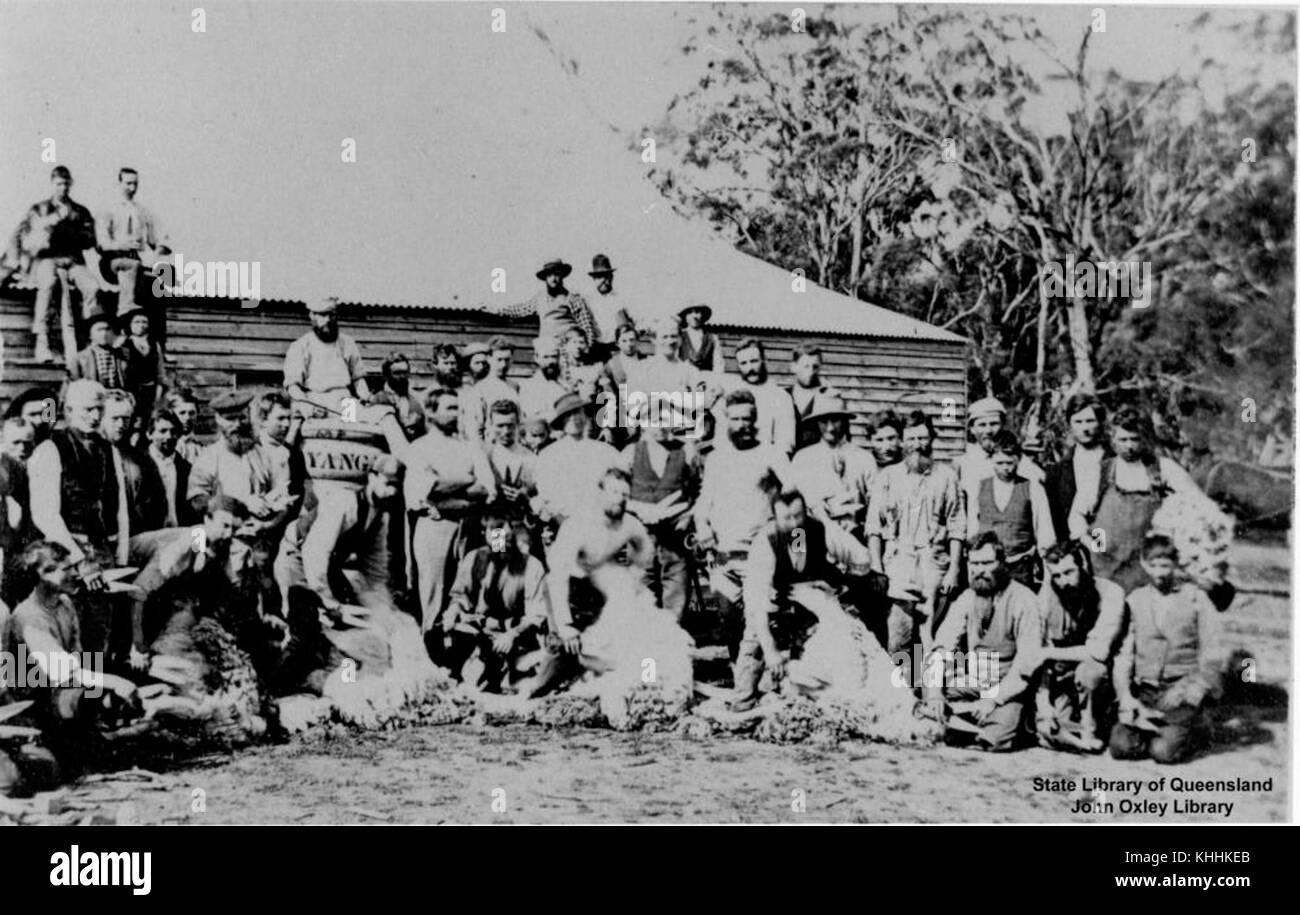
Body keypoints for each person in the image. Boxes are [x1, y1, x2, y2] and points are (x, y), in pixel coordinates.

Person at [524, 468, 694, 728]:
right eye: (614, 492)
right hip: (570, 600)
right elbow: (556, 577)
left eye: (625, 494)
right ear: (600, 493)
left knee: (650, 643)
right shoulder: (577, 525)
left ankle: (646, 688)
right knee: (549, 677)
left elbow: (642, 561)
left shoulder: (631, 525)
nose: (619, 499)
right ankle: (537, 688)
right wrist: (566, 626)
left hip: (606, 602)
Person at [1, 541, 139, 776]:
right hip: (34, 701)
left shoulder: (64, 604)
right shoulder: (29, 617)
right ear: (43, 574)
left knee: (101, 694)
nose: (75, 573)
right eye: (66, 569)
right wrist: (115, 683)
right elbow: (62, 672)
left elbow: (79, 657)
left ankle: (93, 740)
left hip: (62, 689)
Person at [733, 488, 875, 712]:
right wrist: (770, 650)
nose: (794, 524)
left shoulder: (819, 528)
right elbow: (755, 603)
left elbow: (861, 558)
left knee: (836, 643)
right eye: (786, 518)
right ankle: (744, 699)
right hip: (773, 601)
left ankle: (803, 698)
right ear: (774, 517)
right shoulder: (765, 542)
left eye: (798, 516)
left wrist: (840, 585)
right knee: (755, 643)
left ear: (805, 512)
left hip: (809, 602)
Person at [273, 456, 405, 693]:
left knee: (346, 630)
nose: (392, 491)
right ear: (372, 477)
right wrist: (327, 601)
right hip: (297, 558)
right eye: (388, 483)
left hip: (327, 566)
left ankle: (337, 683)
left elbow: (374, 572)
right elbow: (315, 552)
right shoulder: (345, 503)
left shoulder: (379, 517)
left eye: (397, 485)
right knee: (303, 630)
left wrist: (382, 610)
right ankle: (280, 686)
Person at [1109, 535, 1230, 764]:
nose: (1159, 573)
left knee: (1162, 752)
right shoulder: (1135, 599)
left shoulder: (1196, 597)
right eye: (1152, 565)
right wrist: (1126, 696)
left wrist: (1191, 688)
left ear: (1175, 564)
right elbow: (1124, 654)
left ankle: (1198, 728)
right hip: (1145, 692)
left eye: (1165, 566)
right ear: (1144, 564)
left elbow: (1213, 651)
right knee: (1121, 747)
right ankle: (1158, 728)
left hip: (1180, 691)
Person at [923, 531, 1042, 752]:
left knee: (995, 739)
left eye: (987, 563)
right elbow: (942, 646)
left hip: (1008, 688)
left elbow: (1026, 666)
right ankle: (963, 718)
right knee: (928, 692)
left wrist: (994, 700)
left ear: (1002, 563)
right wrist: (935, 694)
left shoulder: (1025, 601)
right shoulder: (967, 598)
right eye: (974, 564)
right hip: (976, 683)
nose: (980, 570)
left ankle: (1017, 721)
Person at [693, 390, 793, 653]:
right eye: (735, 419)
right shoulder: (716, 459)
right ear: (726, 421)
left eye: (748, 418)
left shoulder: (772, 454)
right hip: (724, 555)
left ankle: (761, 685)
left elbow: (793, 498)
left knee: (757, 620)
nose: (743, 425)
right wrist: (702, 526)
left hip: (759, 556)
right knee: (728, 620)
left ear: (756, 419)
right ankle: (740, 677)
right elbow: (704, 501)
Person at [1070, 407, 1206, 592]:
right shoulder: (1101, 472)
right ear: (1113, 440)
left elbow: (1197, 506)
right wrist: (1098, 546)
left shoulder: (1162, 469)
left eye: (1134, 439)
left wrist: (1173, 539)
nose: (1129, 446)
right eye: (1123, 439)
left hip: (1146, 567)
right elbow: (1077, 517)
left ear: (1144, 438)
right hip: (1105, 568)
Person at [187, 390, 297, 617]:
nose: (238, 424)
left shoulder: (266, 455)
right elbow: (196, 500)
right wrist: (239, 504)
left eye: (242, 417)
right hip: (223, 549)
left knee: (268, 611)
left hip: (262, 549)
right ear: (218, 421)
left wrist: (268, 525)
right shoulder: (210, 456)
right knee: (224, 609)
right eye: (230, 419)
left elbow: (285, 503)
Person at [27, 381, 117, 652]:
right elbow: (45, 515)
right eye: (88, 409)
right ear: (68, 410)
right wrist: (80, 560)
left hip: (100, 552)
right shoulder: (50, 449)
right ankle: (71, 693)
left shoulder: (104, 448)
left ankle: (96, 693)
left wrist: (114, 554)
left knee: (99, 633)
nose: (95, 416)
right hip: (66, 556)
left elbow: (117, 505)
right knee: (72, 631)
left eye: (99, 409)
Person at [866, 410, 964, 656]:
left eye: (923, 438)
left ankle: (931, 691)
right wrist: (877, 567)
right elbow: (873, 527)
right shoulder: (888, 477)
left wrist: (954, 568)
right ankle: (904, 691)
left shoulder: (947, 476)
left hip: (935, 565)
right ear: (902, 441)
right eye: (911, 439)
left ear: (932, 438)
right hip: (899, 565)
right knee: (900, 635)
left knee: (932, 636)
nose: (917, 445)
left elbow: (956, 524)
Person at [404, 389, 495, 639]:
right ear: (431, 413)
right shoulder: (419, 448)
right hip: (433, 526)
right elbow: (426, 489)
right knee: (434, 590)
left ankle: (461, 655)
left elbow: (486, 488)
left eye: (458, 408)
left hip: (468, 526)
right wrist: (467, 478)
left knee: (465, 589)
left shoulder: (469, 447)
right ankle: (431, 647)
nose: (456, 414)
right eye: (450, 408)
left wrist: (445, 495)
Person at [124, 495, 249, 669]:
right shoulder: (182, 547)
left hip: (157, 590)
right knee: (101, 650)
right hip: (124, 580)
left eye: (234, 529)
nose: (229, 534)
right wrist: (137, 646)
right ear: (207, 519)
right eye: (225, 526)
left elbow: (228, 585)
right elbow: (137, 591)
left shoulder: (217, 543)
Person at [438, 503, 547, 692]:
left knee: (517, 684)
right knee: (444, 641)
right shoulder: (475, 558)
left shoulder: (531, 566)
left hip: (513, 636)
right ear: (485, 532)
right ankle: (473, 668)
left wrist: (512, 635)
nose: (501, 536)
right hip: (480, 632)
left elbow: (536, 615)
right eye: (494, 530)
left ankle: (505, 672)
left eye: (506, 529)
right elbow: (460, 596)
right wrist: (453, 611)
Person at [1034, 541, 1126, 752]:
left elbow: (1098, 652)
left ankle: (1090, 728)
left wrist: (1049, 652)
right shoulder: (1049, 593)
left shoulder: (1112, 593)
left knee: (1090, 671)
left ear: (1083, 565)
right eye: (1056, 575)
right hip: (1062, 676)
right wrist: (1044, 703)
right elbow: (1039, 649)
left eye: (1068, 572)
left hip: (1099, 679)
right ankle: (1073, 732)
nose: (1063, 581)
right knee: (1049, 733)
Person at [2, 167, 100, 363]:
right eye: (58, 184)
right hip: (46, 259)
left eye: (65, 184)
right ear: (52, 184)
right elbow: (27, 239)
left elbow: (90, 239)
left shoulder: (80, 211)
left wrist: (66, 232)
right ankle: (42, 343)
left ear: (71, 184)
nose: (62, 188)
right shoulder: (39, 209)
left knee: (92, 287)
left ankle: (92, 337)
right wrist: (47, 228)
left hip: (72, 260)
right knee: (46, 286)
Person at [620, 399, 702, 620]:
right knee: (641, 594)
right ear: (643, 424)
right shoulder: (630, 452)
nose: (660, 426)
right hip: (640, 535)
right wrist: (637, 510)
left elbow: (699, 492)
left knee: (676, 596)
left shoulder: (686, 450)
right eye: (654, 421)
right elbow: (617, 493)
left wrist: (687, 516)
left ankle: (672, 644)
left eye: (666, 420)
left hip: (675, 535)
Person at [966, 430, 1054, 590]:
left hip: (1020, 568)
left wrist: (1048, 582)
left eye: (1010, 463)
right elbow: (972, 533)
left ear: (1019, 459)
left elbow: (1045, 535)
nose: (1005, 468)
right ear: (991, 459)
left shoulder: (1033, 488)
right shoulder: (979, 487)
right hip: (987, 569)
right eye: (1000, 463)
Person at [790, 394, 875, 540]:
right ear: (817, 423)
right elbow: (793, 506)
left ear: (844, 420)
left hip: (855, 533)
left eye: (835, 420)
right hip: (814, 536)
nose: (830, 428)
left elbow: (875, 503)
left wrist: (858, 520)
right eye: (824, 421)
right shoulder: (803, 458)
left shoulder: (864, 458)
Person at [532, 392, 620, 530]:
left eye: (578, 412)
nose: (574, 418)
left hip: (599, 524)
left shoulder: (606, 452)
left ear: (586, 415)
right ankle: (498, 550)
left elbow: (618, 488)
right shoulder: (548, 456)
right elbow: (547, 495)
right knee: (499, 546)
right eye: (568, 415)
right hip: (563, 523)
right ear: (561, 421)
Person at [100, 390, 167, 559]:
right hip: (103, 543)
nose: (121, 424)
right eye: (114, 418)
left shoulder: (141, 459)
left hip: (136, 539)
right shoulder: (92, 456)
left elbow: (158, 502)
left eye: (126, 418)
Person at [95, 167, 170, 315]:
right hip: (111, 260)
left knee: (161, 278)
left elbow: (159, 238)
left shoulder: (142, 211)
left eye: (136, 184)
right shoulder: (108, 209)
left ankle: (155, 333)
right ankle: (125, 310)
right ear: (119, 184)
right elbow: (102, 243)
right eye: (128, 184)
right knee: (131, 266)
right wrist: (123, 245)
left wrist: (157, 255)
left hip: (134, 259)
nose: (133, 188)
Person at [283, 297, 371, 419]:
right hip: (315, 399)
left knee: (357, 426)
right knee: (321, 429)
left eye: (332, 315)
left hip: (344, 399)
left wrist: (366, 397)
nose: (328, 320)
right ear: (312, 316)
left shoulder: (347, 343)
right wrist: (306, 404)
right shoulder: (300, 346)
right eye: (323, 315)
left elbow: (358, 379)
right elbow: (292, 386)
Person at [955, 397, 1045, 512]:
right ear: (972, 429)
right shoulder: (963, 463)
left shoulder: (1019, 460)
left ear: (1003, 425)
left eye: (994, 424)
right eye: (982, 425)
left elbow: (1039, 484)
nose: (988, 430)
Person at [1044, 393, 1110, 543]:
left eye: (1090, 421)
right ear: (1069, 424)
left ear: (1100, 422)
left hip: (1110, 544)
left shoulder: (1115, 462)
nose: (1085, 428)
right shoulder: (1057, 471)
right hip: (1071, 549)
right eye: (1078, 421)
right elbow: (1055, 519)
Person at [715, 338, 795, 456]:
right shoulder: (730, 395)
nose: (749, 368)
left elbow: (785, 443)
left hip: (766, 462)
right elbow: (721, 438)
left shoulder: (781, 397)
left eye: (754, 361)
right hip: (732, 462)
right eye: (743, 363)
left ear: (763, 360)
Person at [491, 257, 598, 343]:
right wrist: (495, 310)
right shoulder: (539, 299)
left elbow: (587, 328)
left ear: (562, 276)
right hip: (548, 350)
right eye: (549, 275)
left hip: (568, 351)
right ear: (545, 278)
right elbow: (518, 310)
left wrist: (585, 350)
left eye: (556, 274)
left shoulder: (573, 299)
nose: (553, 279)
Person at [115, 306, 167, 439]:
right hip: (130, 391)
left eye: (144, 322)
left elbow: (160, 370)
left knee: (147, 424)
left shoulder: (154, 344)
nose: (141, 325)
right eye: (137, 322)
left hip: (150, 391)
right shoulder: (124, 344)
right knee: (130, 423)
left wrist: (159, 391)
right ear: (130, 325)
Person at [461, 336, 520, 442]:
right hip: (491, 447)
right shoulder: (479, 390)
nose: (503, 365)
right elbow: (474, 430)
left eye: (507, 360)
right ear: (489, 359)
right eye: (499, 360)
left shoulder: (514, 387)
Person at [145, 409, 194, 528]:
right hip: (149, 537)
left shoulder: (186, 469)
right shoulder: (138, 465)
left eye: (173, 431)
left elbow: (194, 514)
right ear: (149, 434)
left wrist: (197, 547)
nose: (169, 436)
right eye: (163, 431)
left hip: (180, 535)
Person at [787, 345, 838, 453]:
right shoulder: (783, 397)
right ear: (793, 367)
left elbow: (842, 437)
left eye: (815, 367)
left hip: (819, 461)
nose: (810, 372)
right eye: (806, 366)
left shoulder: (830, 397)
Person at [585, 254, 632, 353]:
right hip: (596, 348)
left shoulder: (620, 299)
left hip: (617, 348)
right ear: (594, 279)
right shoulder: (588, 300)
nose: (605, 281)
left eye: (607, 276)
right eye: (600, 277)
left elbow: (635, 321)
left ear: (612, 277)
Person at [69, 313, 129, 391]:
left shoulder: (123, 354)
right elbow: (75, 384)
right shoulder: (79, 358)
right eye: (99, 330)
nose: (104, 333)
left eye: (108, 329)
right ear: (91, 335)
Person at [518, 335, 568, 423]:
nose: (550, 362)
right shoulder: (528, 387)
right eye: (546, 357)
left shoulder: (565, 386)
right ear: (536, 358)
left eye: (553, 356)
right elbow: (532, 418)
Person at [377, 352, 426, 441]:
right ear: (386, 376)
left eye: (405, 372)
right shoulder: (378, 399)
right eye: (397, 373)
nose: (403, 377)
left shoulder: (418, 399)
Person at [677, 303, 722, 374]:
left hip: (706, 379)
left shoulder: (712, 338)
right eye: (690, 312)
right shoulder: (679, 336)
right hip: (684, 378)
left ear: (703, 315)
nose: (694, 316)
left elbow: (718, 364)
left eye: (697, 312)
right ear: (685, 316)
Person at [166, 388, 204, 463]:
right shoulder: (166, 445)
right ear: (172, 414)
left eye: (192, 413)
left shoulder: (199, 448)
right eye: (182, 413)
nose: (187, 418)